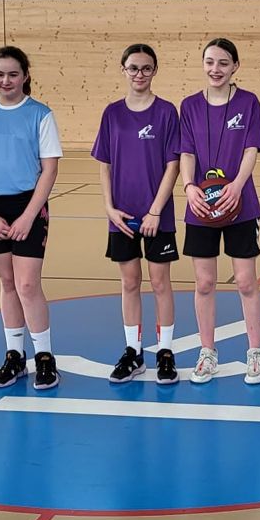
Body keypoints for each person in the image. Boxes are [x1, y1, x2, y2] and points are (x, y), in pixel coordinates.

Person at [0, 46, 65, 390]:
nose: (6, 80)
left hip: (29, 205)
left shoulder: (40, 115)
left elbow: (49, 169)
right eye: (0, 74)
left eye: (13, 74)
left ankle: (45, 357)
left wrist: (28, 216)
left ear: (25, 76)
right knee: (7, 283)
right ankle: (14, 356)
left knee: (27, 284)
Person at [178, 38, 260, 385]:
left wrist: (237, 185)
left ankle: (255, 353)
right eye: (210, 62)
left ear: (235, 67)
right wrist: (189, 187)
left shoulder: (248, 102)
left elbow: (251, 149)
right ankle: (207, 352)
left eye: (223, 63)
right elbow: (187, 152)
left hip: (238, 203)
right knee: (204, 283)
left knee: (245, 281)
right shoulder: (189, 105)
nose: (216, 69)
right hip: (201, 205)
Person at [93, 44, 182, 385]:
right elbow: (104, 164)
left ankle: (165, 351)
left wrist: (156, 211)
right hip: (121, 215)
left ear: (154, 70)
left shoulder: (166, 112)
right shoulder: (112, 113)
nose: (139, 74)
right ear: (124, 70)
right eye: (133, 68)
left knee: (160, 282)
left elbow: (173, 165)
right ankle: (133, 352)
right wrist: (109, 208)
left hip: (157, 215)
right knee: (129, 282)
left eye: (146, 68)